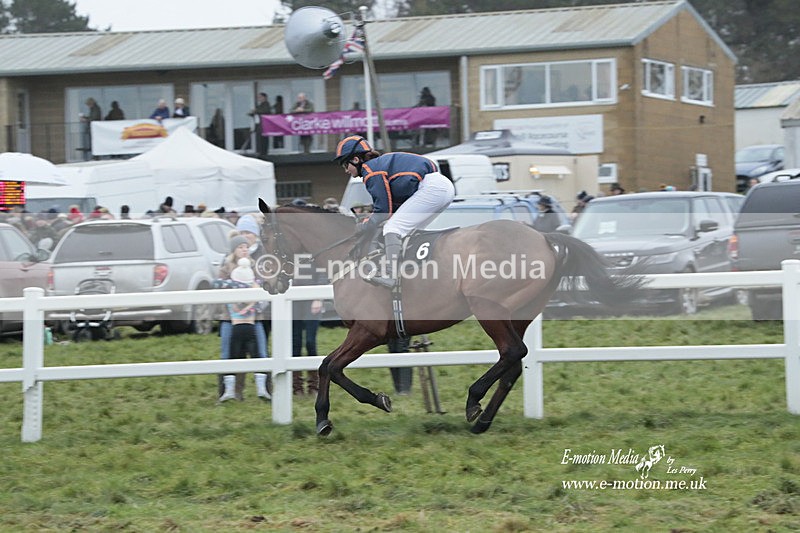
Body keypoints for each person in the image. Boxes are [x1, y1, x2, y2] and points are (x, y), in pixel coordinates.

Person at [333, 135, 455, 289]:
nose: (346, 170)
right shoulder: (377, 166)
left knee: (393, 228)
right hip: (439, 187)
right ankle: (416, 273)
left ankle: (391, 276)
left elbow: (384, 210)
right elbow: (390, 206)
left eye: (345, 165)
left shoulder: (370, 170)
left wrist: (366, 225)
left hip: (432, 189)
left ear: (356, 160)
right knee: (409, 231)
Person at [214, 235, 271, 403]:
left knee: (261, 352)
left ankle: (266, 391)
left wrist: (256, 303)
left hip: (255, 317)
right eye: (240, 247)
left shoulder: (256, 267)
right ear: (234, 250)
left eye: (246, 247)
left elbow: (266, 289)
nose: (244, 249)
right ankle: (228, 392)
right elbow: (220, 290)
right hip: (229, 318)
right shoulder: (225, 269)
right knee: (227, 354)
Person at [248, 92, 272, 157]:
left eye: (260, 97)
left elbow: (266, 111)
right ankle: (260, 151)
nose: (259, 99)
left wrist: (256, 111)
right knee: (259, 139)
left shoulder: (266, 104)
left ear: (264, 97)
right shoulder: (260, 105)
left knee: (264, 140)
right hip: (258, 125)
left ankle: (264, 153)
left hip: (264, 125)